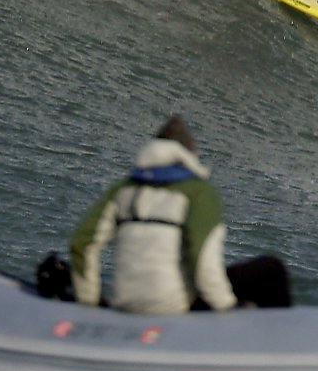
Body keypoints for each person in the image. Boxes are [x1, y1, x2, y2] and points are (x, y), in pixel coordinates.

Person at [68, 115, 291, 313]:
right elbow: (202, 260)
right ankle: (280, 343)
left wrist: (89, 305)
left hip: (125, 303)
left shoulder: (122, 189)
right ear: (189, 154)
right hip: (175, 308)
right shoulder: (198, 192)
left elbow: (82, 244)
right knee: (271, 270)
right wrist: (227, 308)